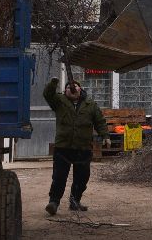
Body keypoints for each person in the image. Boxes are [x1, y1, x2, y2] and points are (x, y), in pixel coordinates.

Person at [43, 75, 106, 215]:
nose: (71, 88)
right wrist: (53, 83)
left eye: (75, 86)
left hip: (82, 147)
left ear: (80, 89)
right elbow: (47, 94)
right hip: (63, 147)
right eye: (67, 87)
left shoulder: (91, 105)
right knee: (59, 176)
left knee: (82, 177)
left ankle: (75, 201)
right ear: (65, 91)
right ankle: (53, 202)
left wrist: (105, 135)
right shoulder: (59, 101)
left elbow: (100, 121)